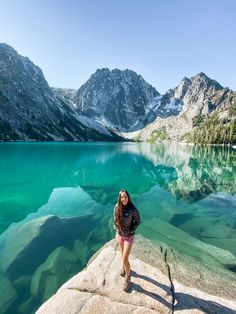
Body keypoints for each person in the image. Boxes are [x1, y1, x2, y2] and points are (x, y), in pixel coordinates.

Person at [113, 189, 141, 292]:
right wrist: (116, 227)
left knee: (125, 258)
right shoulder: (117, 207)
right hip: (120, 235)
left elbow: (138, 221)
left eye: (125, 197)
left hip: (129, 237)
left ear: (128, 197)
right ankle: (125, 268)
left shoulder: (133, 209)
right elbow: (115, 218)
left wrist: (131, 230)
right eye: (122, 197)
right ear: (119, 198)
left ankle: (128, 277)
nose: (124, 199)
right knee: (122, 254)